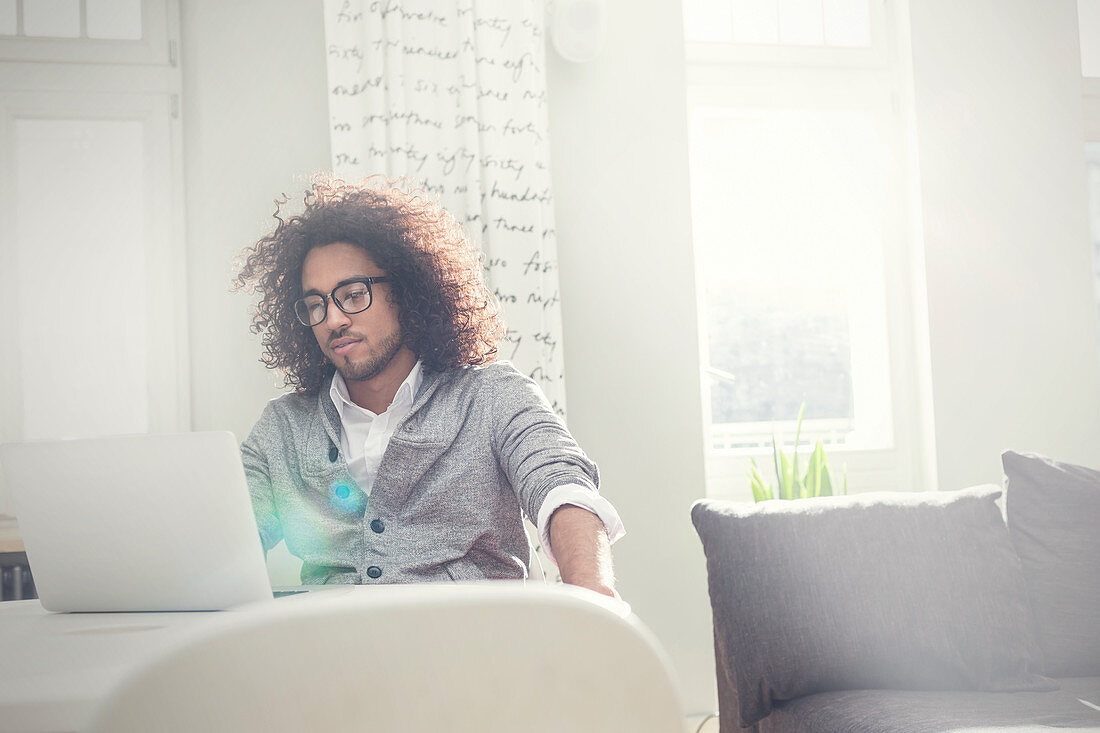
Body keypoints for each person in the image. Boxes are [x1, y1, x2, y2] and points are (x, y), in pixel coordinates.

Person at [234, 176, 624, 597]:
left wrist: (592, 595)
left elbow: (561, 486)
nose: (333, 320)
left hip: (477, 650)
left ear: (406, 291)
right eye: (316, 305)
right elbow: (228, 536)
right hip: (333, 653)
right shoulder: (283, 427)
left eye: (351, 294)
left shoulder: (492, 396)